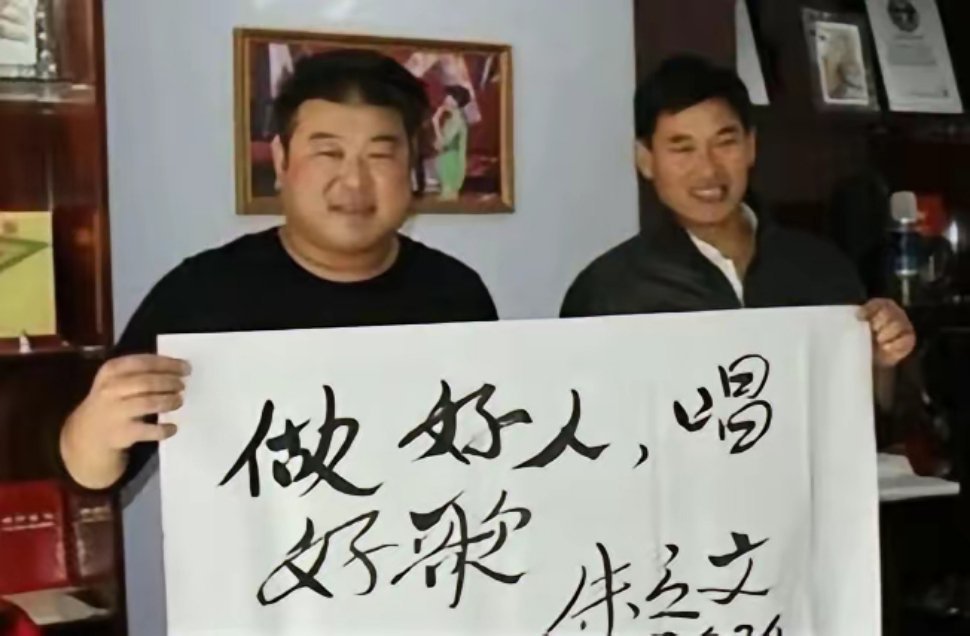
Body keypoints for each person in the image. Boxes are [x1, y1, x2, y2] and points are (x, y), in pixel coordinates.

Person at [59, 49, 498, 491]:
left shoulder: (457, 293)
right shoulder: (202, 293)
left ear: (412, 168)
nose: (354, 181)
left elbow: (487, 457)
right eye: (328, 152)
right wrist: (94, 432)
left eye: (380, 156)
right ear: (281, 161)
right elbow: (92, 476)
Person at [561, 55, 915, 369]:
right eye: (682, 149)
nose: (708, 170)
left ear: (750, 146)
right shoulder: (607, 291)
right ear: (645, 159)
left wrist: (883, 352)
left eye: (725, 143)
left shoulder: (821, 267)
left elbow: (864, 406)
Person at [432, 84, 471, 200]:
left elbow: (444, 143)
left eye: (449, 97)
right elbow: (438, 144)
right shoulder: (451, 119)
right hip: (447, 160)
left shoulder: (458, 120)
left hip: (452, 162)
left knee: (449, 197)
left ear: (456, 101)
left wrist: (435, 122)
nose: (445, 99)